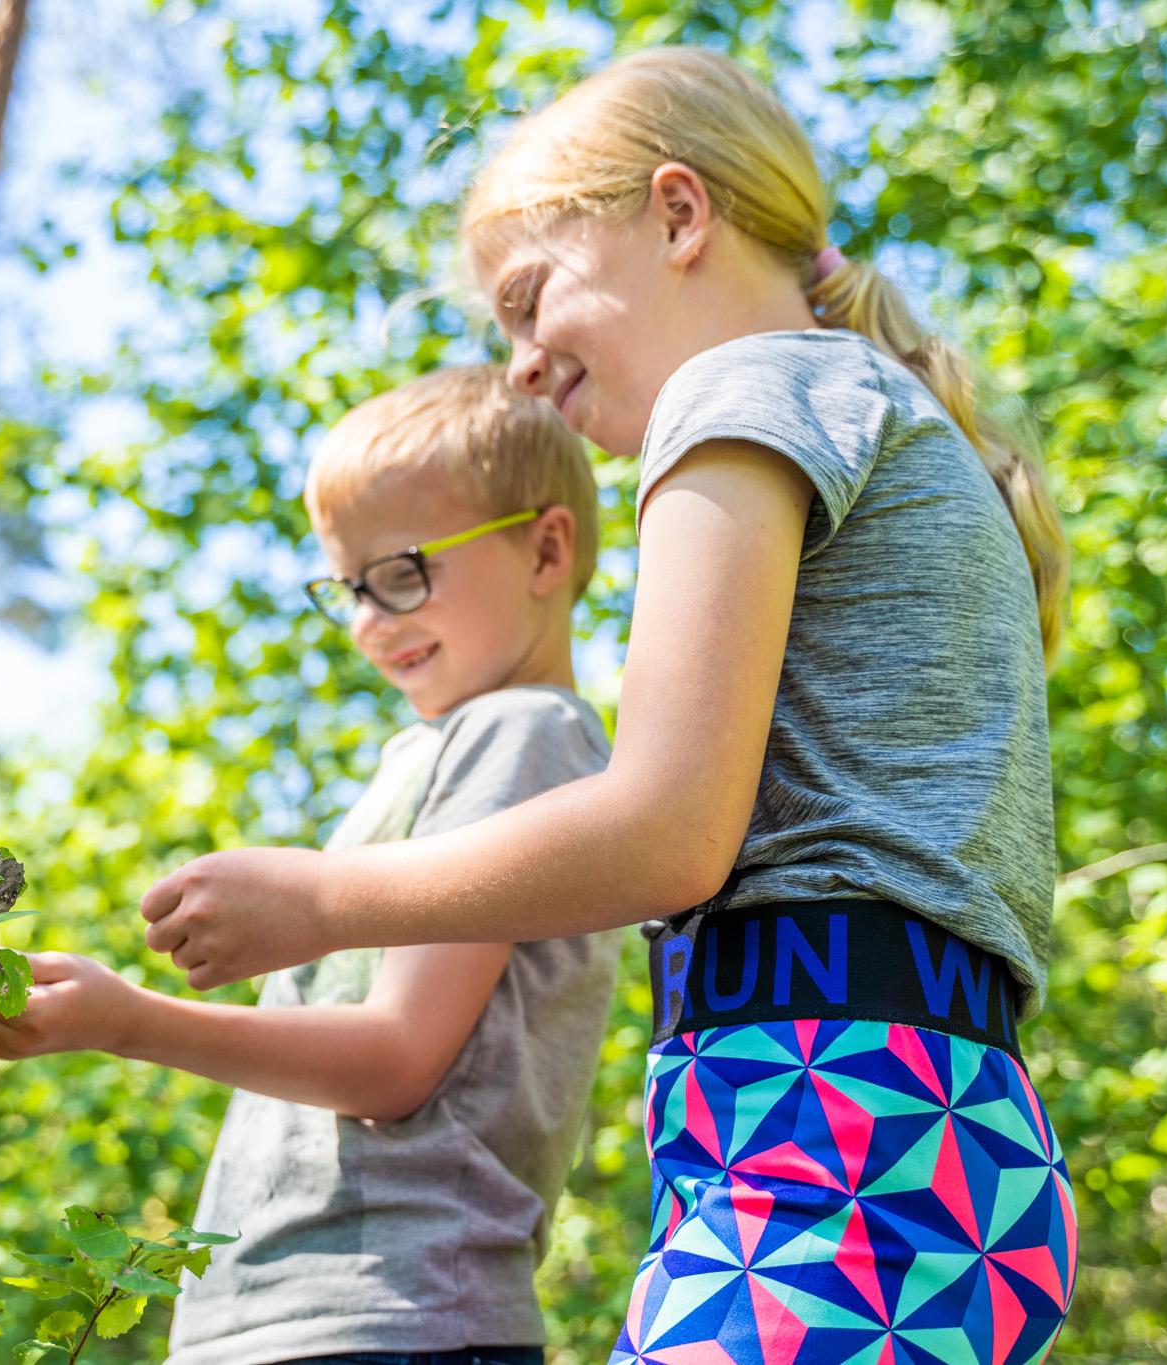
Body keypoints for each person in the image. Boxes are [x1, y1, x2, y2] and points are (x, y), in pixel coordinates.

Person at [138, 47, 1078, 1364]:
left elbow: (666, 830)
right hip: (935, 1135)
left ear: (679, 215)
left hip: (835, 1135)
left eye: (529, 302)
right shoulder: (871, 407)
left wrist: (325, 899)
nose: (520, 367)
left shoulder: (747, 389)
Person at [0, 364, 622, 1365]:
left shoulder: (523, 733)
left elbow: (397, 1058)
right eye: (347, 589)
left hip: (395, 1316)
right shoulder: (433, 751)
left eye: (401, 573)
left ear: (546, 549)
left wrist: (126, 1021)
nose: (368, 621)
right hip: (292, 1317)